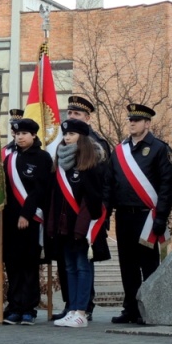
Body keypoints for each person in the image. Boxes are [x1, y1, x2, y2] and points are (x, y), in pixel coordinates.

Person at [110, 103, 172, 325]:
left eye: (136, 120)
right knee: (127, 265)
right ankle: (130, 309)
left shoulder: (159, 149)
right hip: (124, 216)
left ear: (147, 123)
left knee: (148, 265)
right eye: (130, 119)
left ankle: (150, 309)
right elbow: (111, 182)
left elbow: (167, 186)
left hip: (147, 217)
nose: (131, 123)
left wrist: (161, 218)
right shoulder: (120, 150)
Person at [53, 95, 111, 321]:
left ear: (87, 118)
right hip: (66, 220)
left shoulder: (96, 147)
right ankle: (71, 305)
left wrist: (101, 218)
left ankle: (83, 308)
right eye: (69, 113)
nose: (71, 117)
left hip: (89, 218)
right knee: (69, 266)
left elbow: (102, 187)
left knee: (83, 264)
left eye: (77, 114)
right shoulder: (62, 148)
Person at [0, 118, 53, 326]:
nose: (19, 137)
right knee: (12, 265)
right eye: (17, 134)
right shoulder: (10, 158)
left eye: (24, 133)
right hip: (10, 219)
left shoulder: (42, 157)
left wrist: (26, 214)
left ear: (33, 135)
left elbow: (40, 189)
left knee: (29, 265)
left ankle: (29, 309)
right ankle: (14, 307)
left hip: (31, 219)